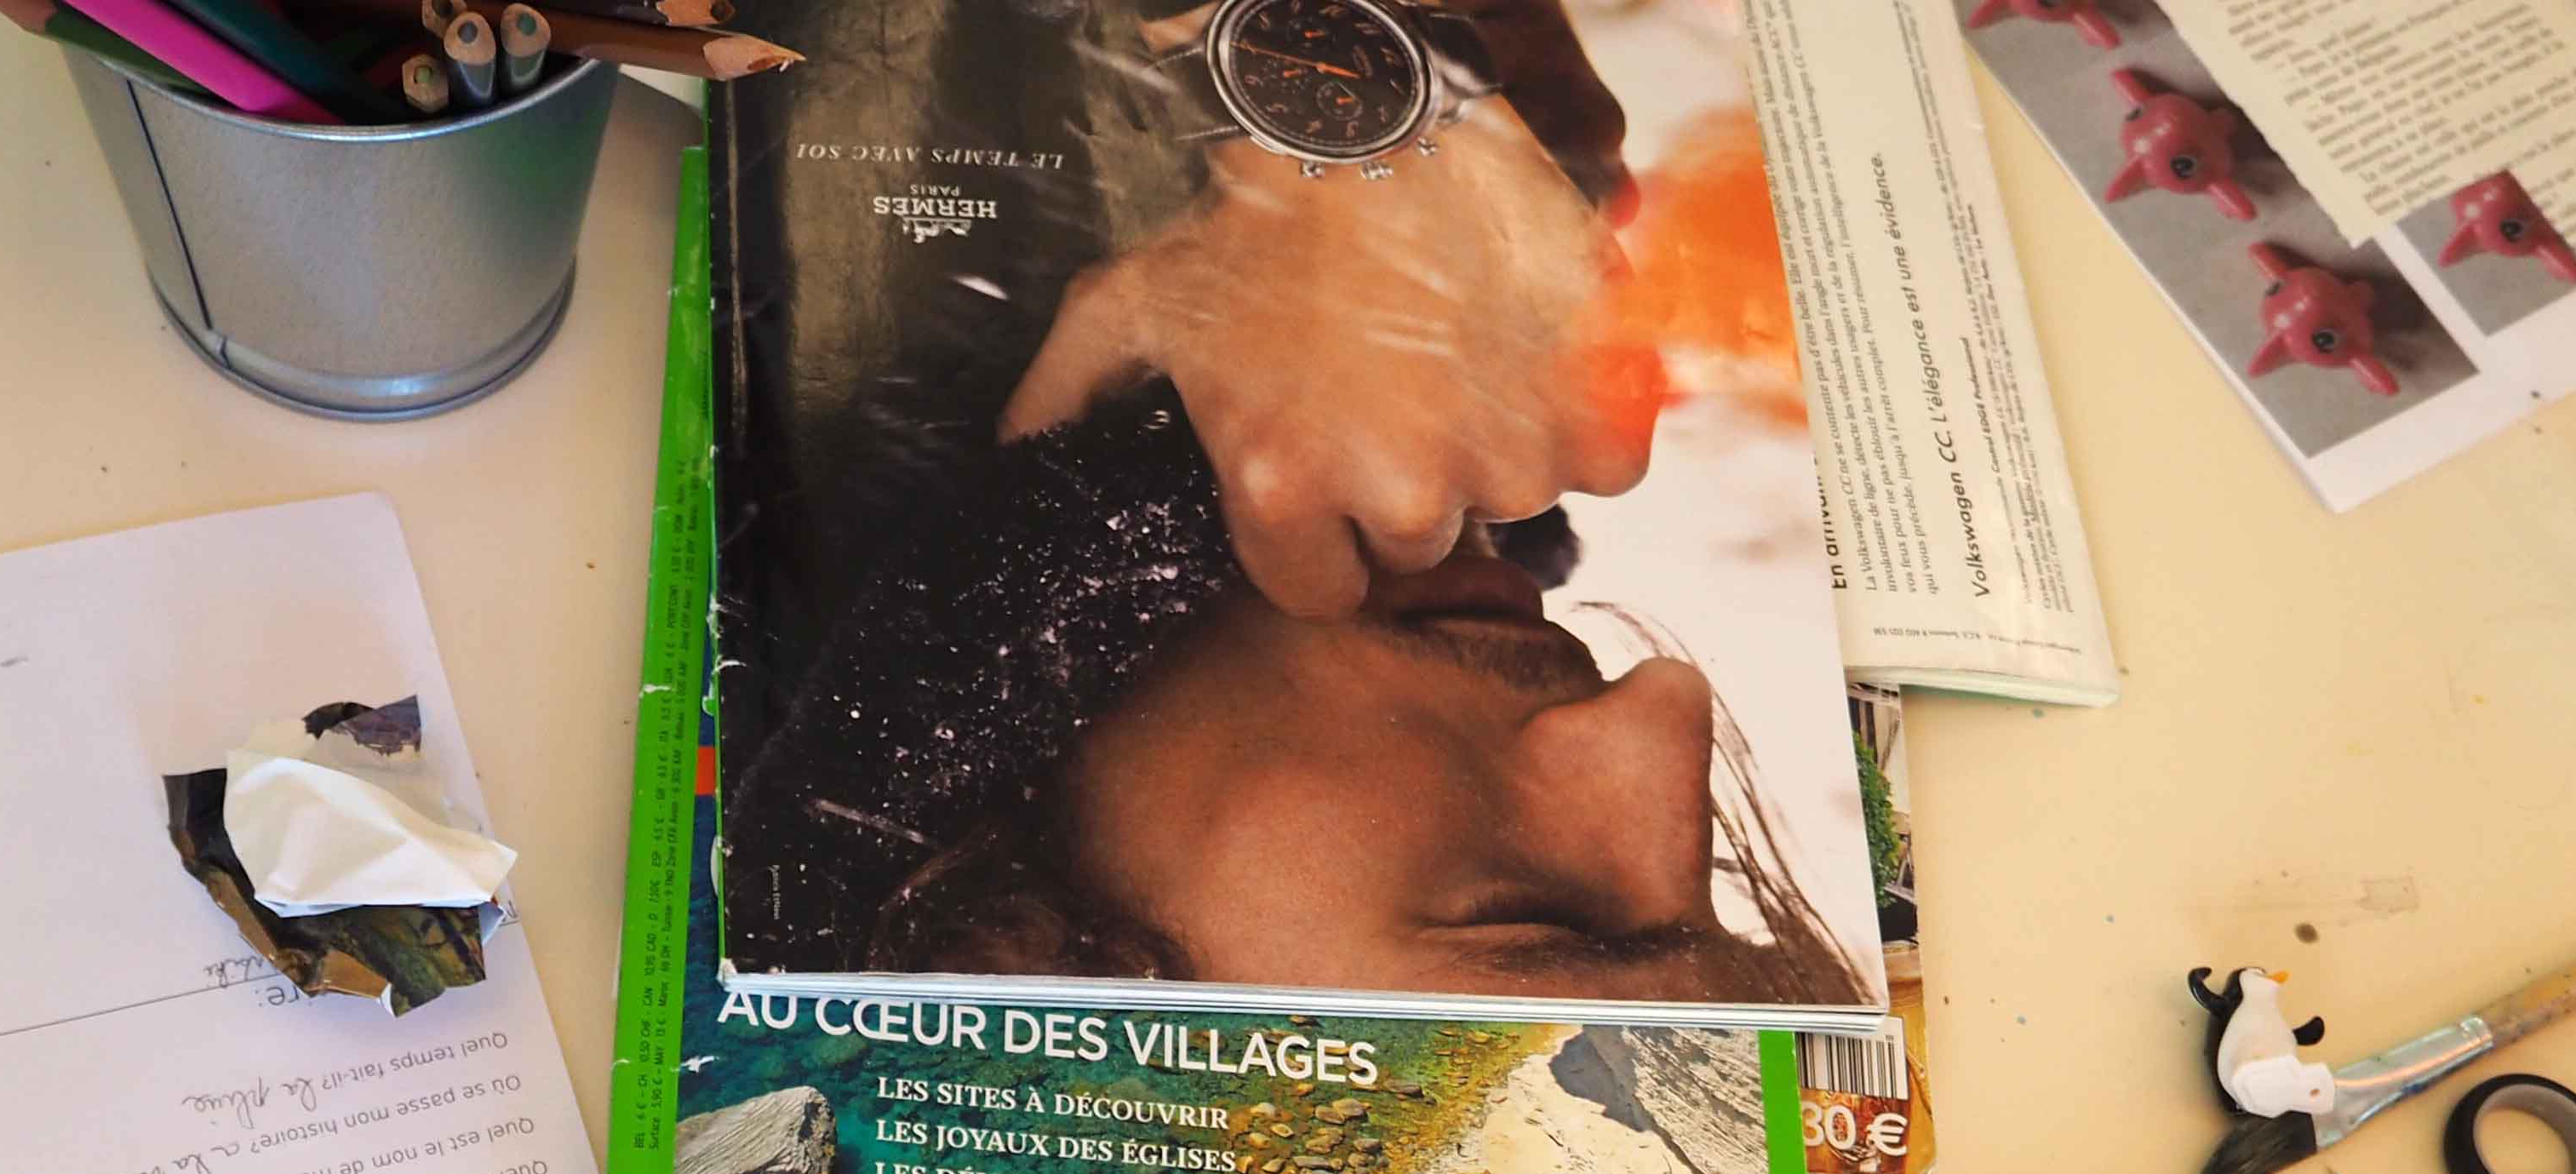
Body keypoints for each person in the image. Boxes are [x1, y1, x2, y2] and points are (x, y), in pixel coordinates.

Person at [714, 0, 1871, 1011]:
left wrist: (1323, 100)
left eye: (1521, 915)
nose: (1661, 714)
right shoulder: (1520, 213)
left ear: (996, 953)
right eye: (1723, 901)